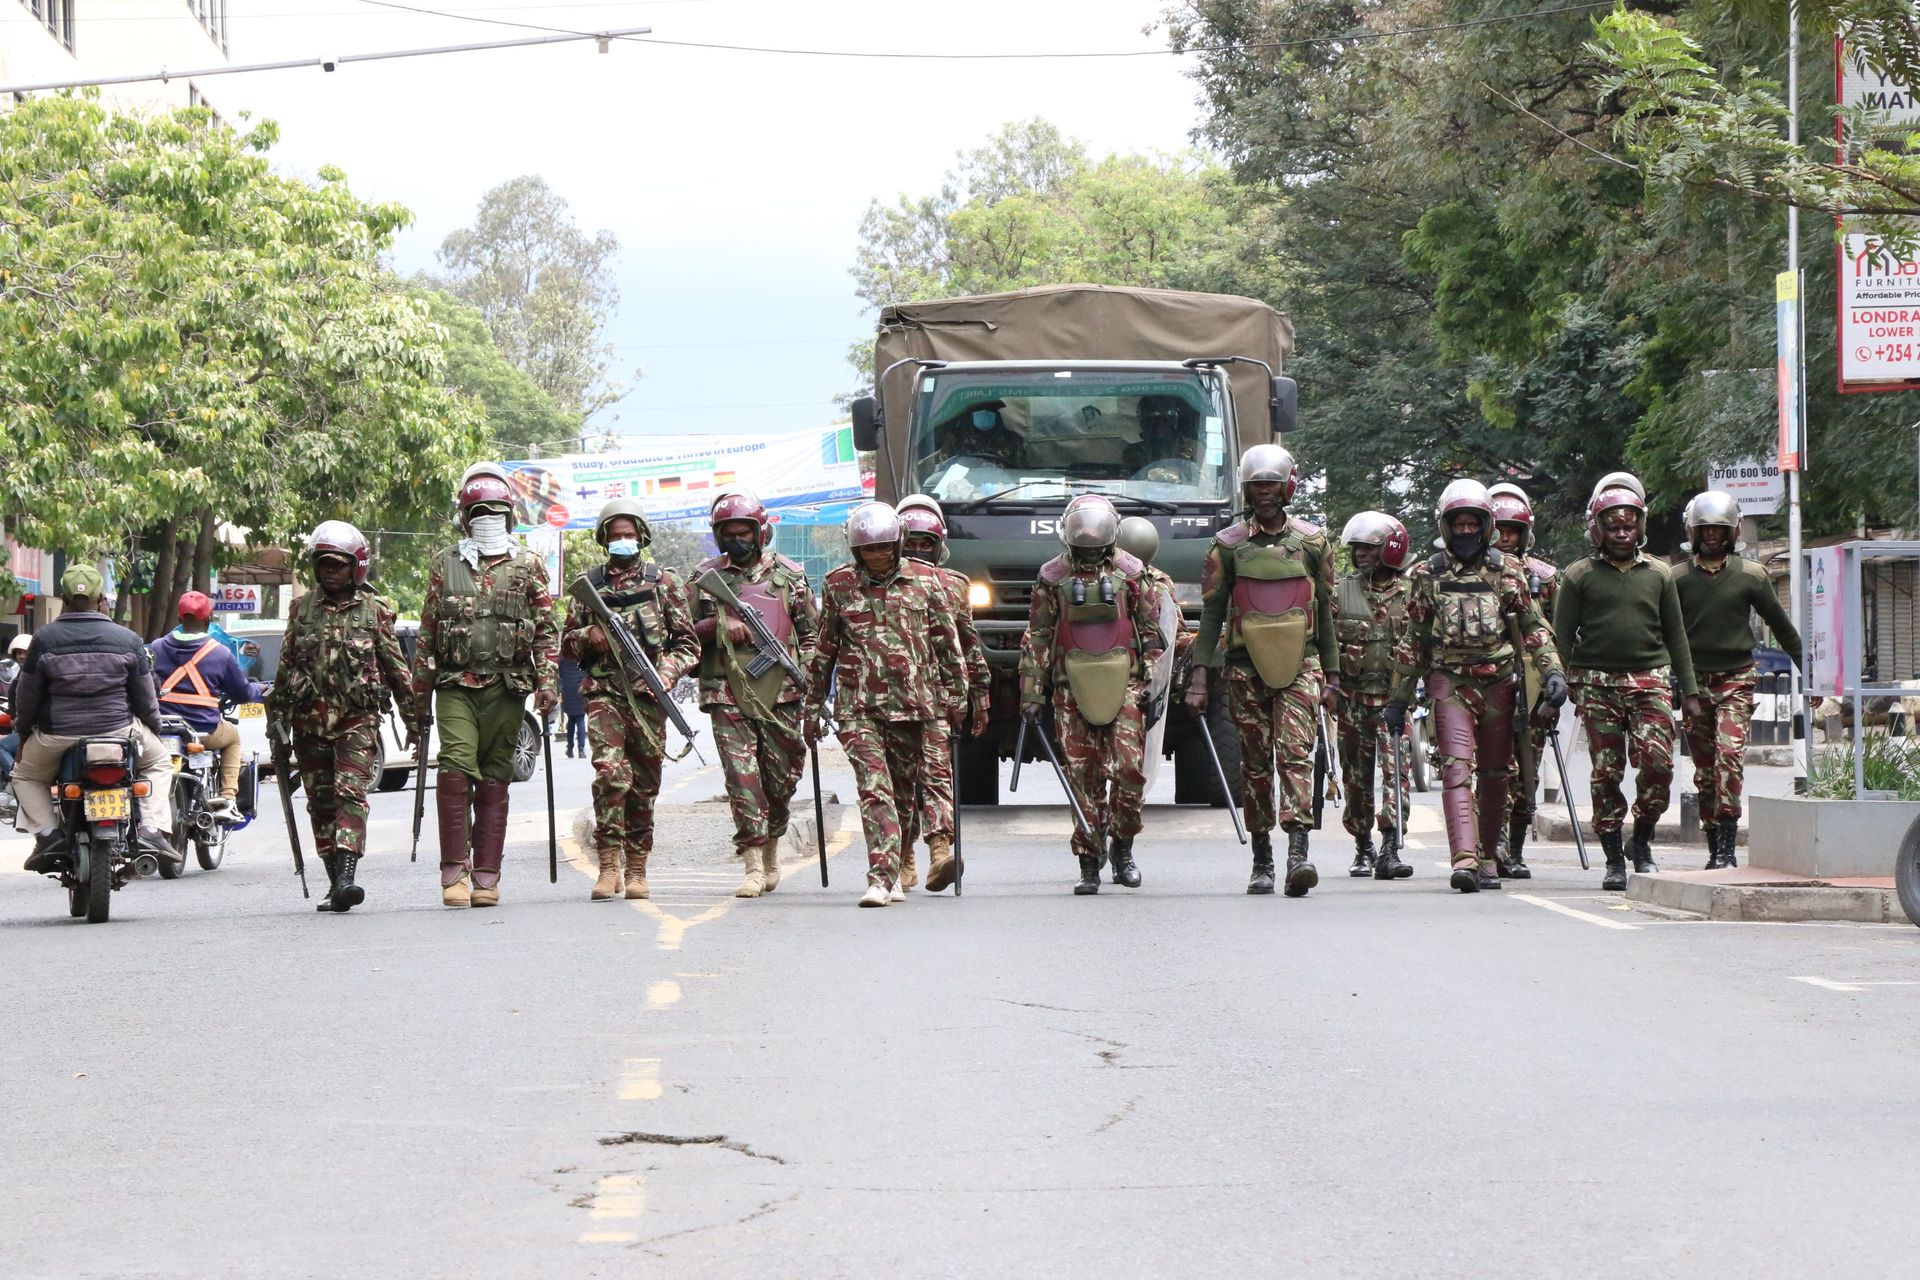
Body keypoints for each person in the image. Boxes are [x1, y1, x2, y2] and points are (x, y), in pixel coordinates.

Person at [1385, 481, 1566, 893]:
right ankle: (1464, 859)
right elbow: (1414, 638)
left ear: (1486, 526)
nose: (1466, 530)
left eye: (1473, 523)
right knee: (1455, 768)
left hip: (1500, 683)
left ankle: (1488, 856)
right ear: (1446, 526)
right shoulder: (1426, 574)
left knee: (1496, 774)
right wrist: (1397, 699)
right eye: (1458, 523)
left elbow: (1533, 626)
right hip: (1449, 683)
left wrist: (1552, 673)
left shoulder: (1508, 571)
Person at [1186, 444, 1338, 896]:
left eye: (1272, 483)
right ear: (1246, 489)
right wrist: (1199, 677)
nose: (1265, 492)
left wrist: (1331, 676)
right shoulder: (1227, 546)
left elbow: (1325, 613)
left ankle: (1298, 854)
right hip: (1242, 667)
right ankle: (1261, 858)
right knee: (1254, 766)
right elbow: (1211, 615)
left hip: (1302, 665)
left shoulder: (1312, 543)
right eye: (1257, 484)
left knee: (1295, 754)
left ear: (1288, 485)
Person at [804, 502, 966, 907]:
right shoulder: (839, 585)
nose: (876, 556)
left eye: (883, 548)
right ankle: (879, 877)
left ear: (896, 544)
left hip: (918, 705)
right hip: (859, 708)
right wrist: (810, 710)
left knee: (904, 793)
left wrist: (958, 699)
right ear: (856, 551)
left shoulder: (928, 582)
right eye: (867, 550)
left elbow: (949, 644)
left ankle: (899, 867)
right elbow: (824, 651)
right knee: (874, 790)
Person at [412, 472, 560, 908]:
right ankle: (454, 872)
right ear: (465, 517)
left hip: (508, 687)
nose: (488, 519)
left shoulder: (528, 564)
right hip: (457, 685)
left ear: (510, 516)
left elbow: (546, 632)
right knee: (455, 769)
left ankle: (487, 877)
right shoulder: (445, 563)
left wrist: (547, 684)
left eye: (495, 512)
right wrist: (417, 701)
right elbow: (427, 633)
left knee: (497, 779)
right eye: (479, 512)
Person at [1553, 475, 1703, 890]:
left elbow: (1676, 634)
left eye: (1629, 526)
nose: (1622, 533)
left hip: (1649, 682)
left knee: (1658, 765)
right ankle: (1613, 857)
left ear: (1640, 527)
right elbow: (1560, 638)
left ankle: (1642, 839)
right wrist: (1552, 686)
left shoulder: (1659, 573)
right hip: (1596, 686)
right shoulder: (1579, 575)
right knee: (1607, 771)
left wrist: (1688, 690)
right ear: (1597, 529)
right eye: (1613, 526)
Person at [265, 523, 417, 913]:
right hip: (308, 721)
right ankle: (336, 883)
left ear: (356, 568)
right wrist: (276, 721)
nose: (330, 570)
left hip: (357, 719)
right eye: (323, 564)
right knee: (321, 802)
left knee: (351, 792)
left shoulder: (376, 610)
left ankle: (348, 875)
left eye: (339, 564)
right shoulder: (301, 609)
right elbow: (286, 666)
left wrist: (414, 719)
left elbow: (396, 667)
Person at [1023, 495, 1165, 895]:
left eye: (1096, 528)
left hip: (1127, 685)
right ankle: (1089, 861)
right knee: (1082, 776)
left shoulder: (1132, 573)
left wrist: (1152, 684)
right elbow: (1037, 636)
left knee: (1128, 770)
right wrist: (1032, 693)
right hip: (1071, 687)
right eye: (1081, 529)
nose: (1089, 536)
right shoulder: (1052, 577)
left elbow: (1152, 633)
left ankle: (1123, 847)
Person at [561, 498, 701, 902]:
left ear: (641, 535)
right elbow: (566, 643)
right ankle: (608, 865)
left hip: (648, 697)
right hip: (605, 692)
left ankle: (637, 866)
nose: (623, 541)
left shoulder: (664, 584)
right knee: (610, 774)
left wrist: (665, 673)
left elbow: (688, 644)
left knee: (643, 783)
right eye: (615, 535)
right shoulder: (589, 587)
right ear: (604, 539)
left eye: (629, 534)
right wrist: (589, 636)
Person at [690, 490, 818, 900]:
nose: (737, 540)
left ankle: (773, 845)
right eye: (729, 533)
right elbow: (682, 637)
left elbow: (812, 634)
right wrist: (720, 626)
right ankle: (751, 863)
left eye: (744, 532)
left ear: (760, 532)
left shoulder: (790, 575)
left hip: (781, 692)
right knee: (742, 777)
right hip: (726, 691)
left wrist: (810, 676)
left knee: (780, 779)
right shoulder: (704, 579)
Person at [10, 564, 175, 873]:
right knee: (159, 762)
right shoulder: (127, 639)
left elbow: (27, 697)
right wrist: (154, 727)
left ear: (64, 598)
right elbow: (145, 696)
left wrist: (23, 736)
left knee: (25, 776)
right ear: (101, 598)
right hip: (119, 730)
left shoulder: (44, 638)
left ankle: (48, 835)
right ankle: (152, 829)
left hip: (57, 734)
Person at [1673, 491, 1803, 870]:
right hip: (1694, 683)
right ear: (1693, 532)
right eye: (1705, 529)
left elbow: (1783, 627)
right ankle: (1714, 845)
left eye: (1719, 529)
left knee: (1728, 756)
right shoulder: (1675, 579)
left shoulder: (1752, 575)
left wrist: (1809, 675)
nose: (1712, 536)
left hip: (1737, 679)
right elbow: (1663, 631)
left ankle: (1728, 848)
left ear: (1732, 532)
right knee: (1704, 769)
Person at [896, 494, 990, 894]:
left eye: (925, 543)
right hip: (887, 702)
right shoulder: (868, 584)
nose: (917, 551)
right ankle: (901, 855)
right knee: (900, 781)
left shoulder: (953, 586)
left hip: (936, 698)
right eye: (910, 542)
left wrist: (978, 694)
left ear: (939, 545)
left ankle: (939, 852)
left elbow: (969, 645)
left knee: (936, 776)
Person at [1333, 511, 1416, 879]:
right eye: (1357, 548)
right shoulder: (1340, 591)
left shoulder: (1413, 593)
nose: (1360, 554)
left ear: (1391, 549)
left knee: (1396, 772)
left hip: (1394, 702)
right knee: (1355, 777)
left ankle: (1390, 847)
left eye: (1369, 547)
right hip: (1352, 701)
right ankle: (1362, 845)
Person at [1487, 482, 1557, 879]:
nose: (1505, 538)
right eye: (1498, 529)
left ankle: (1514, 847)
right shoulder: (1479, 572)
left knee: (1527, 769)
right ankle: (1490, 843)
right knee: (1495, 766)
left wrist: (1558, 681)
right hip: (1491, 679)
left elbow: (1556, 630)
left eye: (1513, 530)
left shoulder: (1545, 578)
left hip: (1532, 684)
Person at [149, 590, 261, 822]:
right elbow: (242, 693)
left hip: (164, 729)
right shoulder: (220, 653)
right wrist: (258, 690)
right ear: (208, 620)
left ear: (179, 619)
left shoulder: (157, 648)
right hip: (204, 731)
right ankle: (228, 799)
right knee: (233, 737)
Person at [931, 400, 1027, 471]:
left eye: (990, 410)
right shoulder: (955, 438)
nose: (985, 412)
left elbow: (1022, 472)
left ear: (997, 415)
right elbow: (942, 469)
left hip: (1003, 491)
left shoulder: (1012, 440)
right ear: (971, 415)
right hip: (964, 492)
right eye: (979, 409)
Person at [559, 657, 587, 758]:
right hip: (579, 690)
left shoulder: (563, 660)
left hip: (567, 690)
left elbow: (560, 674)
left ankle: (570, 748)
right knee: (580, 719)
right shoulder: (581, 656)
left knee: (571, 720)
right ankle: (581, 749)